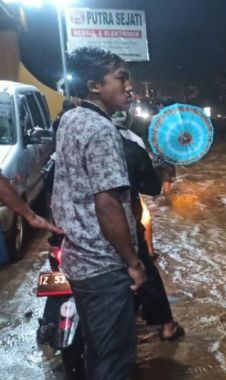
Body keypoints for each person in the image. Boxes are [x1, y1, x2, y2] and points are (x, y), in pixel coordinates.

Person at [51, 47, 146, 380]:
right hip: (103, 264)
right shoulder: (103, 130)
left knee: (97, 348)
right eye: (121, 78)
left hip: (77, 258)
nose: (129, 86)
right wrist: (133, 264)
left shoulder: (70, 119)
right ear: (94, 85)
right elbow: (107, 204)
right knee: (115, 361)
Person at [113, 110, 185, 341]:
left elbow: (50, 176)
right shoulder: (132, 144)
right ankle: (166, 325)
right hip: (123, 218)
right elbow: (152, 187)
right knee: (144, 265)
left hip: (75, 229)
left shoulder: (73, 136)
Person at [150, 97, 177, 196]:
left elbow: (150, 136)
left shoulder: (154, 118)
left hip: (155, 154)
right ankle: (168, 206)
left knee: (157, 182)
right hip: (168, 155)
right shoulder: (175, 122)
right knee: (167, 182)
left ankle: (158, 207)